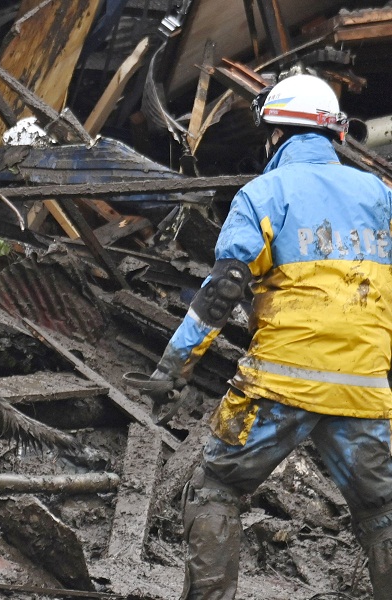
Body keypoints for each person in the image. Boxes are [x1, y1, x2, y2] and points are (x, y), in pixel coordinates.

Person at [151, 73, 392, 599]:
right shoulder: (381, 195)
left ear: (276, 135)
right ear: (333, 136)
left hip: (277, 386)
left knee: (216, 488)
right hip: (364, 390)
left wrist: (173, 367)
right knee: (382, 513)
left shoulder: (264, 192)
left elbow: (225, 288)